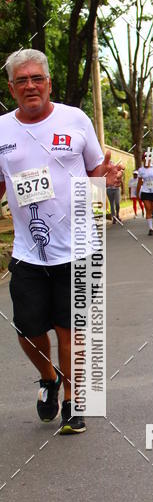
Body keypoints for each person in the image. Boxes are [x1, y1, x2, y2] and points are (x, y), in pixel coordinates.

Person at [0, 49, 123, 433]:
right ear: (11, 88)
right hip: (27, 251)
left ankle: (73, 402)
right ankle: (49, 379)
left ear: (49, 83)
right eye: (22, 81)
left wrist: (108, 175)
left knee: (71, 329)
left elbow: (95, 168)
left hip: (78, 246)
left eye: (37, 78)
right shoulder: (2, 129)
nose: (31, 86)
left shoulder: (75, 119)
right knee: (28, 329)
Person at [136, 151, 153, 236]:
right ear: (143, 159)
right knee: (148, 209)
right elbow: (140, 182)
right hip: (146, 191)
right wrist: (137, 193)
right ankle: (150, 229)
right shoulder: (141, 170)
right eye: (145, 158)